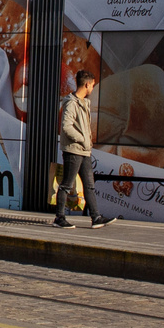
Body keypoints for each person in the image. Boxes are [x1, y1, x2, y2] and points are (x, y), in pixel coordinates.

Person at [56, 70, 114, 229]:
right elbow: (66, 127)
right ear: (87, 84)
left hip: (84, 151)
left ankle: (96, 218)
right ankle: (59, 218)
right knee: (67, 185)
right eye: (93, 85)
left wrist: (87, 142)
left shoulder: (84, 103)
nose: (93, 89)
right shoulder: (71, 102)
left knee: (89, 185)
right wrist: (82, 139)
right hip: (73, 150)